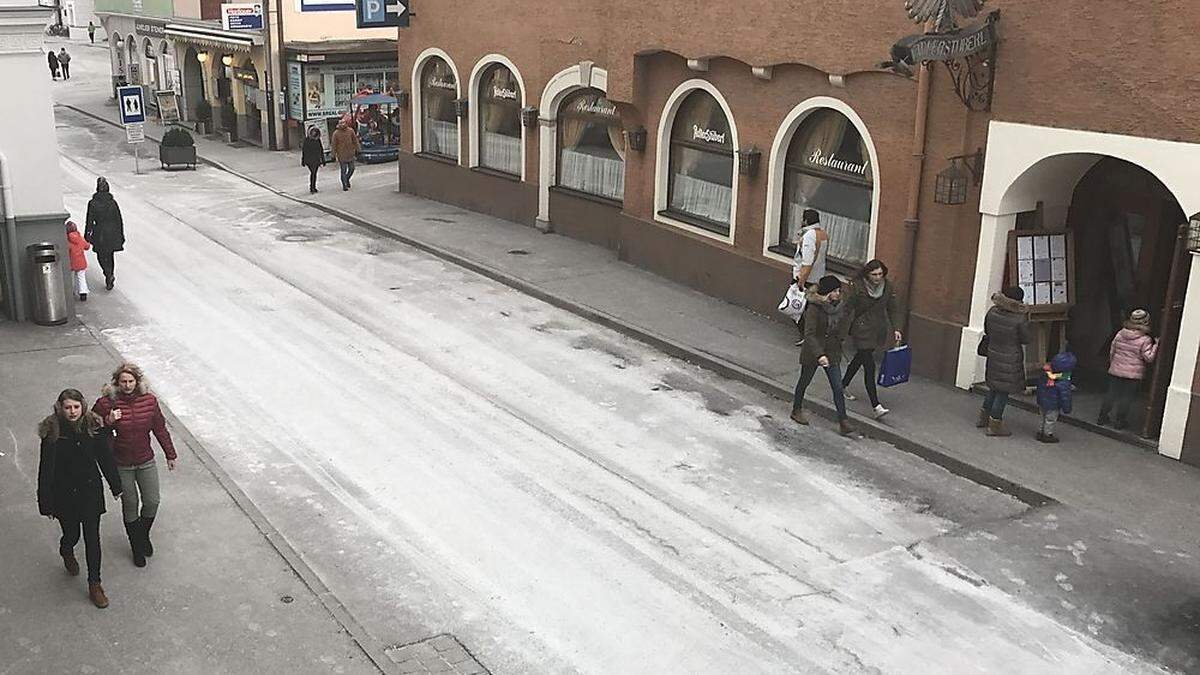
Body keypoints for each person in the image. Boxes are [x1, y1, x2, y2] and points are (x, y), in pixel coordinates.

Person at [37, 389, 123, 608]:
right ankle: (66, 549)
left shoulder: (92, 426)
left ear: (82, 406)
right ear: (60, 408)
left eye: (76, 407)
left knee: (93, 538)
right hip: (64, 495)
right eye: (68, 407)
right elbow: (45, 469)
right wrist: (45, 502)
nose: (72, 411)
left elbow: (105, 457)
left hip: (89, 492)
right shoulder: (52, 432)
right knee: (72, 534)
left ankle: (95, 583)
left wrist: (116, 485)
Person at [92, 363, 177, 568]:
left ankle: (141, 535)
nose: (128, 385)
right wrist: (108, 420)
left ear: (137, 382)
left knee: (152, 501)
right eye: (123, 382)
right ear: (117, 382)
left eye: (131, 381)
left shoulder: (149, 401)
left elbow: (160, 429)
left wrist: (170, 454)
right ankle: (136, 546)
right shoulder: (106, 403)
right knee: (130, 505)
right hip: (121, 463)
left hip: (145, 460)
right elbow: (92, 427)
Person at [790, 275, 854, 437]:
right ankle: (796, 409)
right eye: (834, 291)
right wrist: (819, 354)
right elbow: (809, 334)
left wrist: (841, 337)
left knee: (838, 387)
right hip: (814, 351)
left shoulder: (840, 307)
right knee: (804, 381)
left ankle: (843, 421)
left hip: (832, 351)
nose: (838, 294)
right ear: (826, 292)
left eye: (839, 290)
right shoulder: (814, 308)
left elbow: (843, 325)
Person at [840, 259, 902, 419]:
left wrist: (896, 329)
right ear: (867, 275)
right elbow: (847, 308)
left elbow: (893, 309)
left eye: (880, 274)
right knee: (869, 365)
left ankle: (842, 384)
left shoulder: (887, 287)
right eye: (874, 274)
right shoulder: (858, 286)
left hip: (877, 330)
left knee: (860, 358)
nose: (878, 277)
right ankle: (876, 405)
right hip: (860, 328)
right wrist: (841, 330)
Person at [978, 286, 1030, 437]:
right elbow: (1026, 339)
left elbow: (987, 330)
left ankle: (983, 418)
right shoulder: (1020, 318)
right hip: (1010, 357)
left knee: (993, 388)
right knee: (1002, 392)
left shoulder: (992, 312)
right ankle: (995, 425)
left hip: (993, 353)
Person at [1098, 308, 1159, 430]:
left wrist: (1113, 364)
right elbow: (1149, 358)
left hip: (1116, 369)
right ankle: (1119, 421)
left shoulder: (1120, 333)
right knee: (1126, 397)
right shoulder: (1145, 340)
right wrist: (1156, 345)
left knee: (1111, 393)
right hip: (1133, 375)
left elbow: (1112, 351)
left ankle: (1102, 417)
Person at [790, 209, 829, 343]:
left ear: (805, 220)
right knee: (810, 309)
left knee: (795, 307)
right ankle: (813, 335)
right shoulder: (823, 234)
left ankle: (806, 336)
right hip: (818, 277)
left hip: (806, 278)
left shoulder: (809, 236)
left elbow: (807, 262)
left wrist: (801, 281)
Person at [84, 177, 124, 291]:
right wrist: (120, 234)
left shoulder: (93, 203)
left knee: (101, 255)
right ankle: (110, 273)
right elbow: (118, 220)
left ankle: (107, 272)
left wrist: (87, 236)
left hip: (99, 232)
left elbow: (89, 220)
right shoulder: (112, 203)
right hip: (112, 232)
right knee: (110, 254)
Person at [1036, 351, 1076, 443]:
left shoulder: (1046, 373)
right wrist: (1067, 408)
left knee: (1042, 416)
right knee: (1050, 419)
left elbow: (1039, 386)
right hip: (1054, 404)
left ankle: (1040, 432)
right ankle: (1047, 435)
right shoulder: (1063, 381)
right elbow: (1065, 396)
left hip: (1042, 401)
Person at [331, 121, 361, 191]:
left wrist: (358, 149)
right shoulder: (336, 133)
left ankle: (347, 179)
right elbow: (333, 145)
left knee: (352, 168)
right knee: (343, 170)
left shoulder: (350, 131)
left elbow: (355, 140)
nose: (342, 124)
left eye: (343, 123)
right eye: (341, 123)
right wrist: (333, 155)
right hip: (341, 155)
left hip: (350, 153)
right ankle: (344, 184)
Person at [66, 220, 91, 302]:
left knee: (71, 278)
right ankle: (83, 293)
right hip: (81, 262)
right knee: (81, 277)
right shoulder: (80, 238)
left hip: (71, 262)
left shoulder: (67, 240)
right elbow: (87, 247)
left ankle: (71, 292)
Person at [301, 127, 326, 194]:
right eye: (313, 132)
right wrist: (303, 160)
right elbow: (304, 151)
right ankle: (312, 187)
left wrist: (323, 160)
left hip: (316, 159)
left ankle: (313, 187)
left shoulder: (317, 140)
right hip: (309, 159)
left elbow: (321, 150)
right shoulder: (307, 140)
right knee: (313, 172)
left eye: (315, 132)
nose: (314, 133)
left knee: (314, 173)